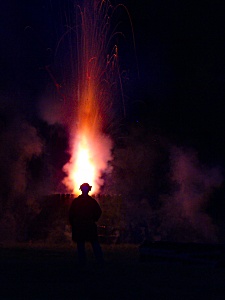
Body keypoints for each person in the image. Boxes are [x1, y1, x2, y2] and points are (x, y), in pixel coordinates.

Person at [69, 183, 104, 266]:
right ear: (89, 190)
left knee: (81, 245)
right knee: (94, 243)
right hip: (89, 225)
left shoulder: (76, 201)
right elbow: (98, 212)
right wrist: (94, 219)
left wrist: (73, 223)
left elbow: (71, 213)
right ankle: (99, 261)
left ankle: (82, 262)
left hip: (80, 225)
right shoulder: (91, 201)